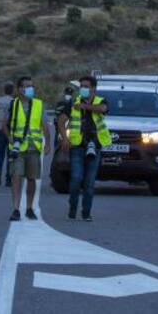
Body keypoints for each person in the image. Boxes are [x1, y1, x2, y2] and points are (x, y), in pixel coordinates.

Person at [4, 75, 52, 222]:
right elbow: (4, 125)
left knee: (32, 179)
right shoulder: (13, 105)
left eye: (30, 86)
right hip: (18, 149)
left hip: (34, 148)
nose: (28, 89)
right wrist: (10, 139)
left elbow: (44, 125)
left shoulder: (38, 104)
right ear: (19, 89)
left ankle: (29, 208)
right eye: (25, 86)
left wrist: (48, 143)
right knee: (16, 177)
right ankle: (16, 209)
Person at [65, 75, 110, 221]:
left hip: (95, 146)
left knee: (90, 183)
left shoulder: (100, 101)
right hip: (77, 145)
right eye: (81, 86)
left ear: (93, 89)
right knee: (76, 178)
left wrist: (85, 107)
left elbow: (103, 108)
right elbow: (61, 119)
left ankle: (86, 212)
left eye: (86, 86)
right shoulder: (73, 102)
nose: (83, 89)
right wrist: (64, 139)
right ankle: (72, 206)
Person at [0, 82, 15, 186]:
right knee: (10, 155)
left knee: (0, 154)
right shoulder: (14, 102)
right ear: (12, 91)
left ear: (4, 90)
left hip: (0, 129)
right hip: (11, 131)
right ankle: (8, 178)